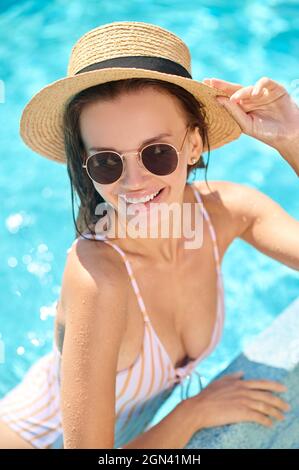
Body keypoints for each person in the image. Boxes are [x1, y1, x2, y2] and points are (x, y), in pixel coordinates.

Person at [0, 21, 298, 450]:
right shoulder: (98, 280)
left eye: (157, 153)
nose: (134, 183)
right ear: (86, 166)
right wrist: (192, 413)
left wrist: (293, 138)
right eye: (107, 162)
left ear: (193, 145)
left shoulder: (230, 213)